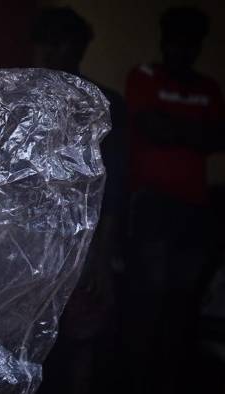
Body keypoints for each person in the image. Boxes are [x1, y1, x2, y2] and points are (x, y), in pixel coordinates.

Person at [124, 6, 224, 394]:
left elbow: (218, 138)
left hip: (194, 211)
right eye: (175, 41)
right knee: (146, 306)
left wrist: (173, 128)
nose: (181, 49)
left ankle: (170, 382)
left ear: (198, 47)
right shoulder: (145, 75)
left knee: (181, 307)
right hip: (152, 206)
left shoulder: (209, 87)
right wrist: (193, 131)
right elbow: (151, 126)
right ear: (164, 42)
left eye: (190, 43)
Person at [30, 7, 128, 394]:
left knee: (78, 340)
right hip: (30, 242)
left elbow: (115, 186)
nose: (53, 55)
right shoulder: (22, 98)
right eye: (47, 45)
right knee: (32, 346)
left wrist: (101, 257)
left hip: (82, 244)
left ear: (79, 50)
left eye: (63, 46)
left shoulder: (104, 104)